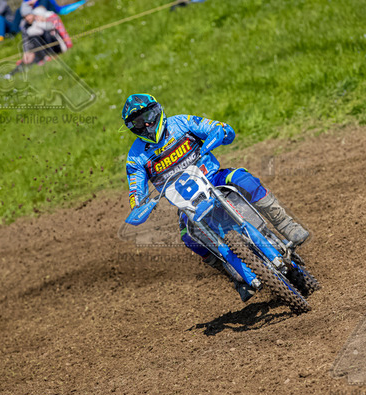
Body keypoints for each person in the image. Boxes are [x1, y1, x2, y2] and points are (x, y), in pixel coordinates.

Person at [122, 94, 310, 301]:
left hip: (214, 178)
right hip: (187, 204)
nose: (146, 124)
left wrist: (219, 132)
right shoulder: (135, 157)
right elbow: (135, 190)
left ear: (157, 110)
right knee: (188, 237)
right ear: (131, 126)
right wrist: (139, 205)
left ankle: (286, 224)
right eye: (138, 122)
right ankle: (234, 274)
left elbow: (218, 128)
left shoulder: (181, 123)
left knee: (243, 179)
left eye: (148, 116)